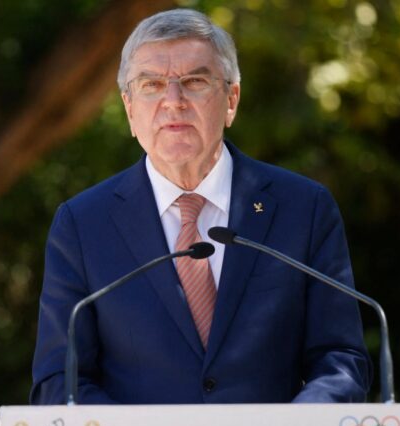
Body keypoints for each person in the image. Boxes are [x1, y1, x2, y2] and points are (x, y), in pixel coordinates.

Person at [30, 8, 371, 404]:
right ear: (129, 108)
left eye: (194, 81)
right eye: (152, 84)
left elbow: (340, 359)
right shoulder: (82, 224)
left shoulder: (305, 209)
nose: (173, 102)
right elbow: (61, 381)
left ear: (231, 99)